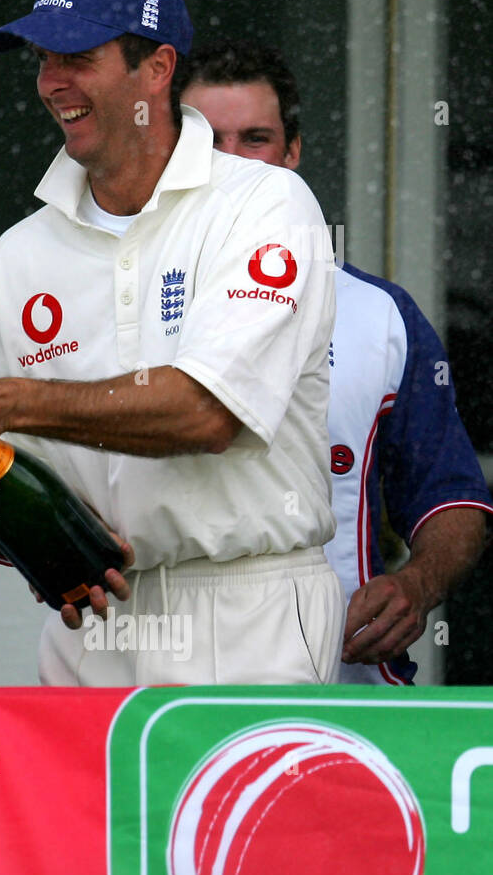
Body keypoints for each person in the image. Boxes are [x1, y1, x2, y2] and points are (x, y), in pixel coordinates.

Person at [0, 0, 344, 686]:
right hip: (94, 624)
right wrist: (26, 529)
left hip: (251, 613)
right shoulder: (17, 256)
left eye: (78, 56)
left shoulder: (265, 206)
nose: (53, 82)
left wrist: (2, 400)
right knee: (81, 811)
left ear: (158, 68)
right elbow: (10, 468)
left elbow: (207, 414)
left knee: (231, 807)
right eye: (45, 58)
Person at [178, 39, 492, 684]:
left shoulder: (380, 317)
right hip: (159, 693)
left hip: (346, 699)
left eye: (255, 139)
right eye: (208, 142)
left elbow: (452, 500)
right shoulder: (118, 305)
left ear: (293, 153)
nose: (231, 165)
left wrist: (415, 585)